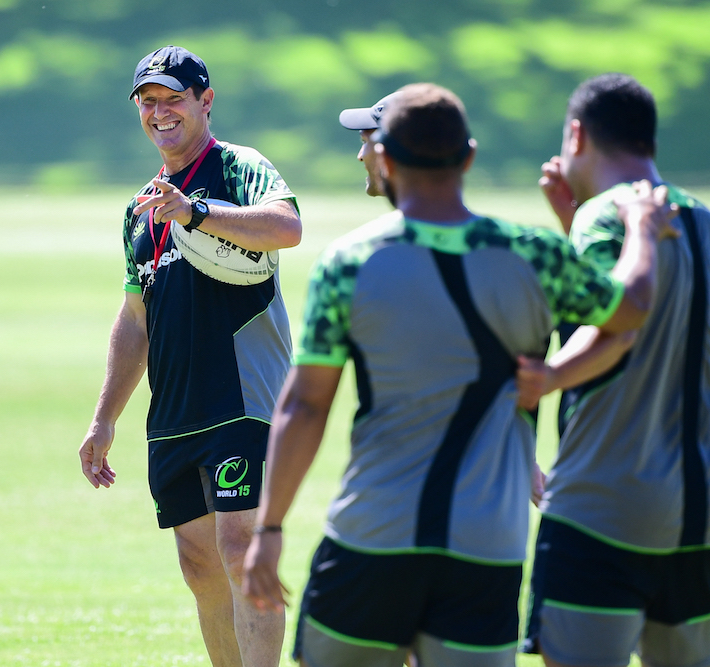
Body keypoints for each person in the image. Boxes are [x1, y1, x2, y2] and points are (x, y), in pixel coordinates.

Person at [240, 83, 678, 667]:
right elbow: (630, 311)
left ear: (387, 159)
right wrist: (643, 232)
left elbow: (305, 407)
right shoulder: (537, 255)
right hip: (487, 551)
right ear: (468, 159)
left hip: (372, 537)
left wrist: (268, 529)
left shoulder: (348, 263)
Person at [77, 45, 301, 666]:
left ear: (205, 102)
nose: (159, 112)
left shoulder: (239, 168)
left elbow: (287, 228)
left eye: (173, 99)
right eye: (148, 102)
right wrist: (104, 418)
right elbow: (135, 319)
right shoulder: (140, 209)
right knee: (199, 564)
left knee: (240, 548)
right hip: (174, 411)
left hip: (242, 396)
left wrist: (199, 211)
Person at [518, 73, 710, 667]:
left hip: (601, 510)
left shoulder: (605, 219)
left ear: (577, 134)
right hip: (696, 516)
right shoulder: (704, 221)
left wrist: (547, 378)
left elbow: (620, 327)